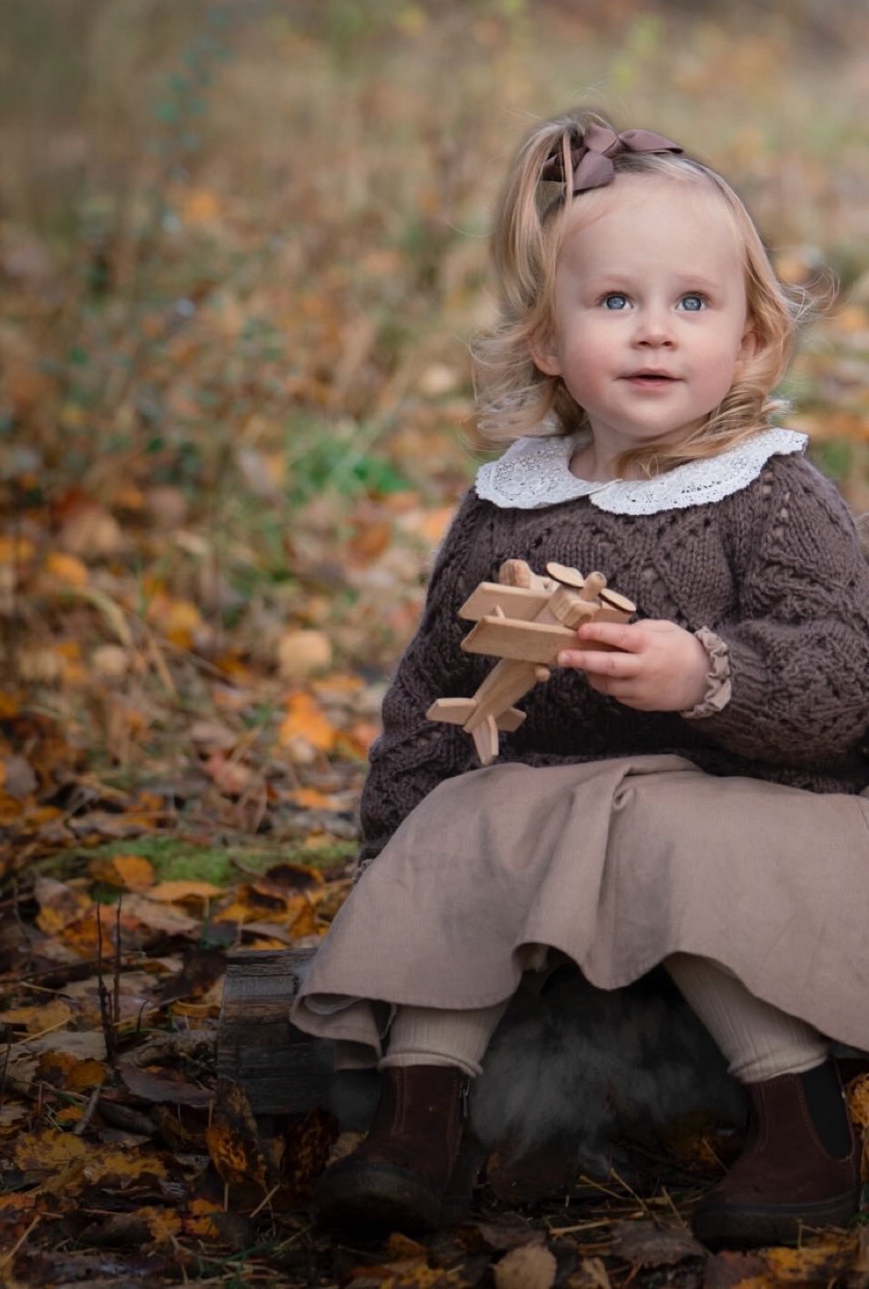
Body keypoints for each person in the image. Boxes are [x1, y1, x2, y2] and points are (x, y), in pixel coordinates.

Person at [290, 111, 869, 1248]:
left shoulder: (772, 494)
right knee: (467, 817)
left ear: (751, 342)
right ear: (549, 342)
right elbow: (435, 690)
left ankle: (797, 1115)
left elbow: (845, 670)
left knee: (668, 825)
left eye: (692, 305)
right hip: (552, 827)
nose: (654, 333)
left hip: (759, 815)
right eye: (615, 303)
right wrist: (397, 847)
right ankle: (419, 1119)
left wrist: (706, 675)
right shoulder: (512, 500)